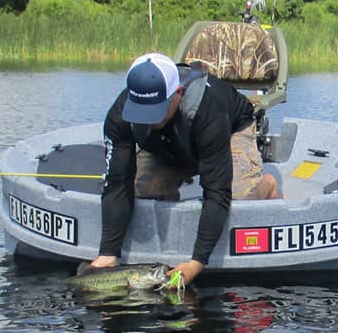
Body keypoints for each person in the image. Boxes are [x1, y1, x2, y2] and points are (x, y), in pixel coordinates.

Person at [90, 52, 278, 284]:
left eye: (156, 110)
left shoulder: (210, 108)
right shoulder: (121, 114)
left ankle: (266, 185)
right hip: (168, 141)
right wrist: (108, 253)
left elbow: (217, 192)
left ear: (177, 93)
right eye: (142, 112)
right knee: (143, 194)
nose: (148, 120)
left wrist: (196, 262)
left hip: (230, 130)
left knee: (239, 199)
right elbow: (117, 182)